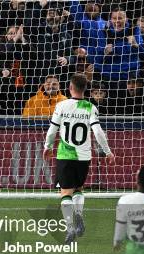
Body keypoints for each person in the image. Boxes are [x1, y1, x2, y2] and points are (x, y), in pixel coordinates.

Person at [43, 73, 115, 244]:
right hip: (84, 156)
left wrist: (47, 147)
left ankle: (70, 228)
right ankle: (79, 215)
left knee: (65, 192)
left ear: (70, 88)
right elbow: (98, 132)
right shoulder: (91, 107)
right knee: (79, 189)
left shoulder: (61, 105)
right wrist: (107, 151)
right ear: (85, 90)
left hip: (65, 155)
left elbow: (52, 131)